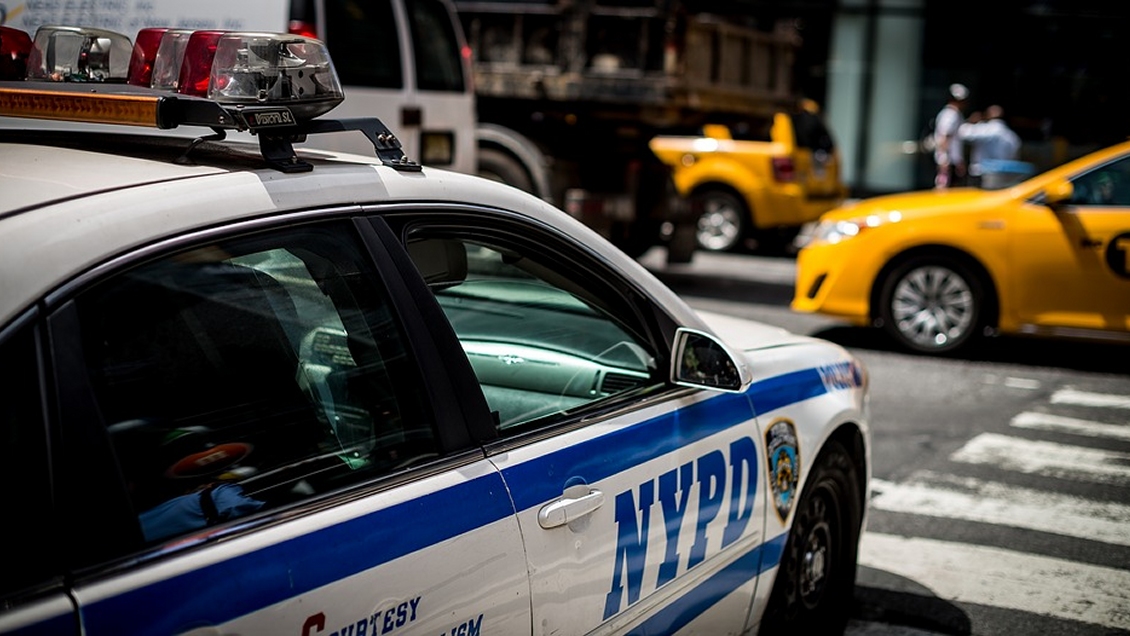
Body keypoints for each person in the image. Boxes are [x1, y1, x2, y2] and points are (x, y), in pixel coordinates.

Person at [959, 104, 1021, 187]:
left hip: (982, 172)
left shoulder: (987, 129)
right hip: (1003, 174)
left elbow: (963, 133)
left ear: (988, 115)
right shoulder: (1011, 136)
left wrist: (971, 122)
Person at [933, 83, 969, 188]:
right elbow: (944, 137)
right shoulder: (950, 114)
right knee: (944, 191)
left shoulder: (955, 114)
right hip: (947, 161)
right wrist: (944, 159)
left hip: (951, 160)